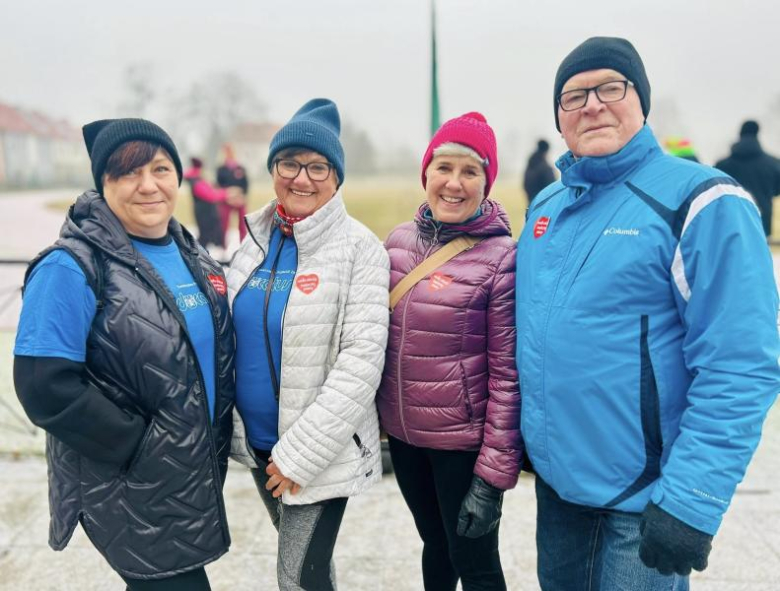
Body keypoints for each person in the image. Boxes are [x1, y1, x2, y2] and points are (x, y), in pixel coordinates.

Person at [515, 37, 780, 590]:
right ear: (559, 120)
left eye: (611, 87)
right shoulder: (546, 208)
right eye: (573, 96)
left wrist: (692, 500)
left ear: (642, 101)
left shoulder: (703, 201)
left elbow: (741, 363)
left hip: (641, 504)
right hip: (559, 495)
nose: (591, 104)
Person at [13, 118, 236, 590]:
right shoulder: (70, 265)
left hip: (190, 478)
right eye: (129, 173)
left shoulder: (190, 253)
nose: (148, 185)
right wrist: (139, 445)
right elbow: (43, 387)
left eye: (160, 169)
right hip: (131, 484)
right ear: (103, 183)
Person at [226, 98, 390, 590]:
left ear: (337, 177)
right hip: (259, 448)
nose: (302, 177)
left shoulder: (360, 249)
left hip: (316, 455)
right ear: (273, 169)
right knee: (314, 572)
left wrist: (298, 456)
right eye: (289, 163)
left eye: (318, 166)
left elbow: (361, 363)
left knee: (296, 577)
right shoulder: (253, 241)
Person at [377, 112, 522, 591]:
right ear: (426, 174)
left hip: (460, 445)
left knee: (475, 562)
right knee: (435, 545)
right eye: (443, 168)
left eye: (470, 171)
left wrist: (493, 477)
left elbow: (507, 376)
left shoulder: (502, 259)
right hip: (404, 437)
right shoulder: (397, 243)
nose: (454, 183)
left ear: (487, 182)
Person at [715, 120, 780, 237]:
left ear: (740, 133)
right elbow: (777, 191)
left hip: (731, 220)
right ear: (757, 133)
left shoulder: (722, 165)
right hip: (761, 221)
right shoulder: (773, 164)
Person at [184, 156, 229, 251]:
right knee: (205, 236)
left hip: (205, 212)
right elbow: (211, 196)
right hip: (204, 213)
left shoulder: (198, 179)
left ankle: (201, 254)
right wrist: (226, 193)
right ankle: (198, 254)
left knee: (206, 236)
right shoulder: (197, 181)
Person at [217, 143, 249, 246]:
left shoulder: (240, 168)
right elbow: (218, 184)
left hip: (239, 199)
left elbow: (245, 184)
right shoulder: (221, 169)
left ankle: (243, 244)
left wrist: (241, 196)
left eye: (230, 151)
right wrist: (228, 194)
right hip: (227, 199)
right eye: (226, 151)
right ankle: (223, 246)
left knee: (243, 223)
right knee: (224, 224)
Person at [523, 138, 556, 205]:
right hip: (543, 203)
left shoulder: (531, 163)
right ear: (546, 150)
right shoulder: (545, 167)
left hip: (531, 201)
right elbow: (552, 186)